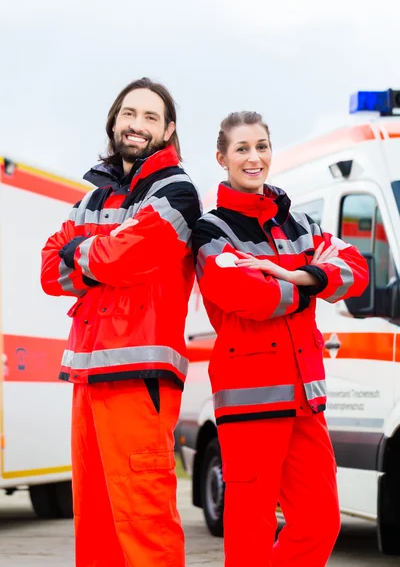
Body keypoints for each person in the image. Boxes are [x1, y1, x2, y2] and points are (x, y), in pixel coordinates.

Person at [192, 111, 369, 567]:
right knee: (249, 534)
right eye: (242, 149)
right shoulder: (213, 231)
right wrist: (312, 285)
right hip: (250, 403)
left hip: (305, 400)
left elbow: (356, 269)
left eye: (262, 146)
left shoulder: (301, 225)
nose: (254, 158)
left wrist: (295, 274)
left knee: (320, 523)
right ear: (222, 158)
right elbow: (246, 296)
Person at [41, 78, 202, 567]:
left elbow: (128, 257)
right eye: (129, 114)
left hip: (140, 383)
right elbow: (51, 270)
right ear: (114, 122)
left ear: (169, 130)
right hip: (88, 382)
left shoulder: (177, 192)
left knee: (143, 527)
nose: (137, 125)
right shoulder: (93, 198)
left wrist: (81, 253)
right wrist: (96, 255)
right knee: (96, 529)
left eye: (151, 117)